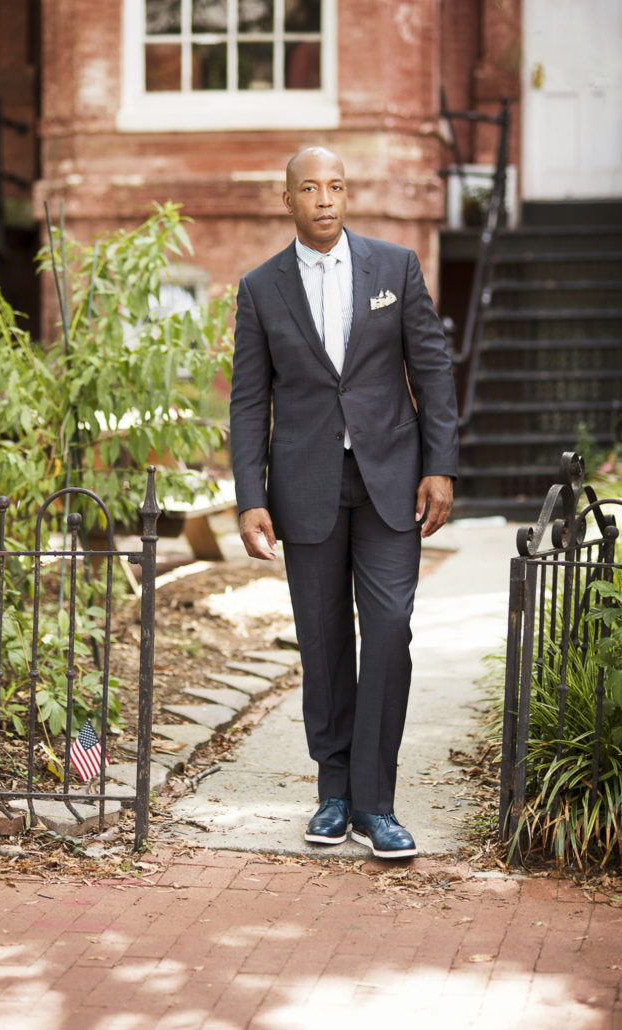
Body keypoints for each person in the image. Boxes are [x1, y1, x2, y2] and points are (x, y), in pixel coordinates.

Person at [229, 146, 459, 859]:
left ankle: (376, 804)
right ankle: (332, 795)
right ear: (287, 199)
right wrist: (248, 496)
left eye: (335, 186)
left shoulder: (394, 267)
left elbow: (430, 367)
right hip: (305, 488)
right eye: (310, 188)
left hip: (392, 480)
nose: (325, 199)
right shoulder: (260, 288)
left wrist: (440, 466)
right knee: (324, 640)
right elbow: (247, 401)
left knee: (388, 630)